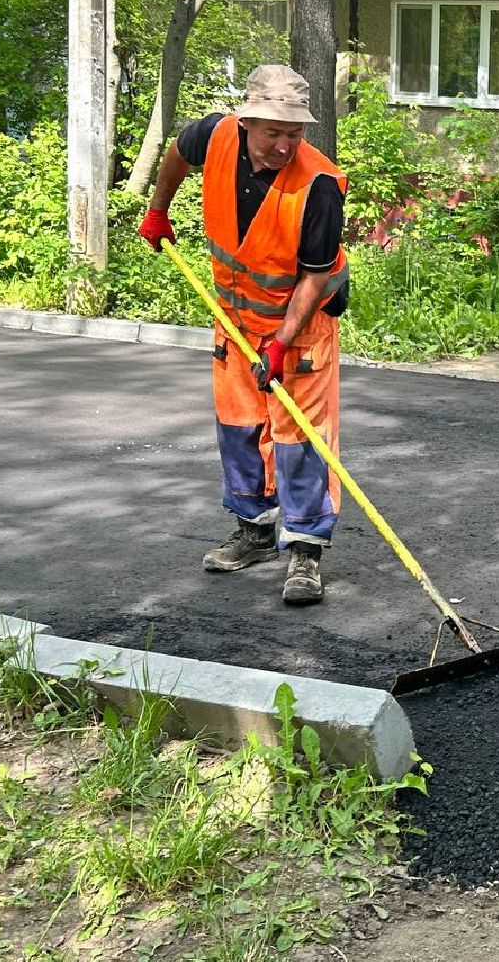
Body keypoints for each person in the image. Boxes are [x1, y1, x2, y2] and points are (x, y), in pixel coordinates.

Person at [138, 64, 350, 607]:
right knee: (238, 427)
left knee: (299, 440)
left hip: (298, 332)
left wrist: (280, 343)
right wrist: (159, 210)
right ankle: (254, 531)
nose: (283, 145)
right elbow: (177, 156)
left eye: (294, 133)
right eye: (273, 132)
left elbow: (315, 274)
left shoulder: (318, 185)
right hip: (233, 322)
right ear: (247, 120)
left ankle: (304, 552)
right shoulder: (214, 135)